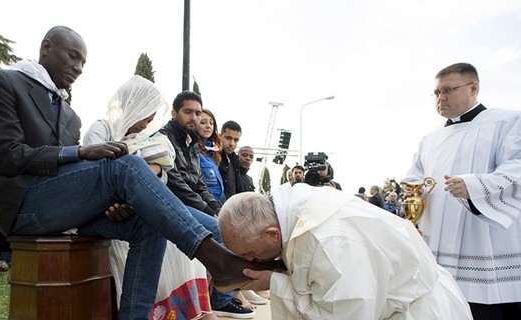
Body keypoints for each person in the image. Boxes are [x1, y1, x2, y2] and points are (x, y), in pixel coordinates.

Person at [0, 26, 282, 319]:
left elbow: (70, 178)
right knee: (125, 164)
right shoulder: (2, 81)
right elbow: (6, 156)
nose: (79, 66)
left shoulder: (69, 114)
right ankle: (216, 258)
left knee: (148, 225)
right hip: (22, 205)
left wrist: (105, 200)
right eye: (72, 55)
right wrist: (81, 152)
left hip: (59, 207)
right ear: (46, 47)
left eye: (83, 61)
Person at [217, 186, 473, 319]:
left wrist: (275, 283)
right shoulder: (293, 206)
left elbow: (345, 314)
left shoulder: (328, 242)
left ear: (273, 234)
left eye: (249, 253)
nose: (250, 261)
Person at [84, 75, 217, 319]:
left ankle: (191, 311)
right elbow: (98, 175)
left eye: (150, 119)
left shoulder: (141, 139)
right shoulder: (101, 130)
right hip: (106, 210)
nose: (146, 124)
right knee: (164, 231)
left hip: (136, 204)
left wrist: (144, 168)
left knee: (184, 241)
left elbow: (157, 170)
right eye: (145, 117)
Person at [404, 62, 521, 319]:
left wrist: (474, 186)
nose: (440, 98)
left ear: (473, 88)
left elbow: (517, 168)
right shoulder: (430, 139)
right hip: (439, 243)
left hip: (484, 242)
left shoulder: (508, 121)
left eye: (448, 90)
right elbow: (415, 177)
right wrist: (412, 193)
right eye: (436, 93)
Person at [158, 93, 254, 318]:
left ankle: (224, 297)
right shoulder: (164, 138)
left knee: (229, 225)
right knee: (221, 231)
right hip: (172, 202)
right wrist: (209, 210)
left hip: (189, 202)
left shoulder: (192, 143)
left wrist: (218, 208)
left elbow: (199, 183)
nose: (194, 117)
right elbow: (176, 183)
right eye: (188, 111)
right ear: (174, 113)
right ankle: (221, 300)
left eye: (197, 112)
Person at [197, 108, 225, 203]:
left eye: (211, 123)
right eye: (203, 122)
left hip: (218, 204)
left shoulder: (211, 153)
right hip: (205, 204)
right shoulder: (193, 151)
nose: (208, 126)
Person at [218, 121, 243, 200]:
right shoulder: (213, 156)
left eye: (236, 140)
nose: (232, 143)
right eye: (228, 138)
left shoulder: (235, 161)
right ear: (220, 136)